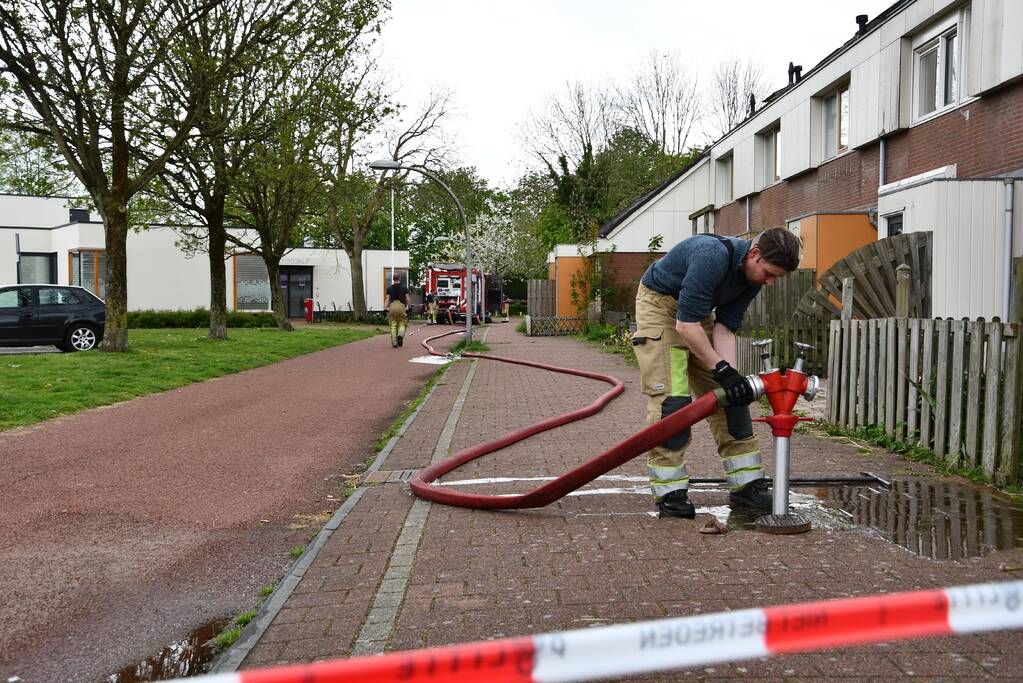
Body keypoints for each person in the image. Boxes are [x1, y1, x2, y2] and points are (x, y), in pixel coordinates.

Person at [633, 227, 802, 518]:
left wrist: (731, 377)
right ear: (755, 253)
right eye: (770, 273)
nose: (771, 282)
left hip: (695, 314)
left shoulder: (752, 276)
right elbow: (685, 327)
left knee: (732, 399)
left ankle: (746, 486)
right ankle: (669, 491)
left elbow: (724, 328)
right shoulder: (710, 256)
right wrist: (720, 367)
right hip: (660, 308)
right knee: (673, 401)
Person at [383, 275, 411, 348]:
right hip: (401, 306)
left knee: (393, 324)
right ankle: (400, 335)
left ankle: (394, 343)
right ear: (399, 278)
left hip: (392, 306)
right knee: (402, 323)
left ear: (393, 279)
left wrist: (385, 308)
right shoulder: (404, 288)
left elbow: (387, 299)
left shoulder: (389, 288)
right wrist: (409, 307)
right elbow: (407, 298)